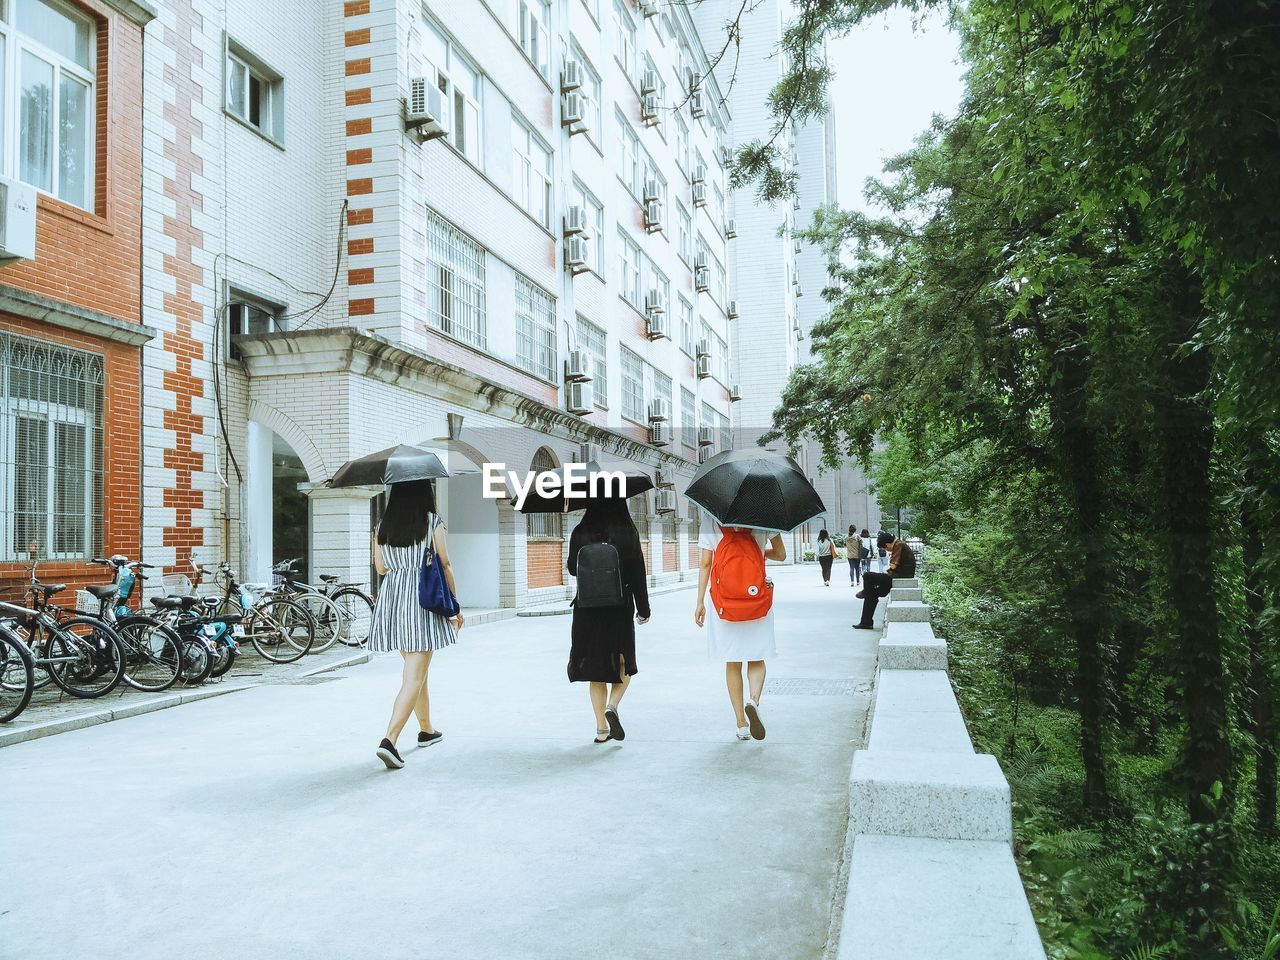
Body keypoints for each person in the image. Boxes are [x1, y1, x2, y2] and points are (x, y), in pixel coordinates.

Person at [369, 479, 464, 770]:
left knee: (416, 670)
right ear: (425, 491)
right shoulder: (432, 521)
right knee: (413, 676)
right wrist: (455, 604)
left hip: (393, 601)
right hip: (421, 601)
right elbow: (445, 563)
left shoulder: (381, 526)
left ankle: (426, 729)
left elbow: (381, 568)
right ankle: (390, 741)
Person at [694, 513, 787, 740]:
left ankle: (741, 724)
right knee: (757, 657)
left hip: (724, 602)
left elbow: (706, 563)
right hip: (756, 599)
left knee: (732, 661)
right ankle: (753, 701)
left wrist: (699, 602)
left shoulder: (711, 518)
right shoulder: (765, 514)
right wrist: (758, 550)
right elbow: (781, 555)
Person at [566, 498, 651, 743]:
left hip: (587, 608)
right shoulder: (627, 531)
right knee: (623, 664)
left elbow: (572, 568)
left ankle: (601, 729)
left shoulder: (580, 530)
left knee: (596, 669)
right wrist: (643, 609)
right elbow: (637, 572)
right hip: (619, 607)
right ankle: (612, 706)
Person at [853, 532, 917, 630]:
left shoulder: (898, 545)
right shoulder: (899, 544)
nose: (887, 551)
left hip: (899, 576)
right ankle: (866, 622)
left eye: (886, 548)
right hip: (898, 575)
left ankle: (866, 597)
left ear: (887, 544)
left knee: (867, 575)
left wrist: (887, 571)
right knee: (871, 595)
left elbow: (893, 565)